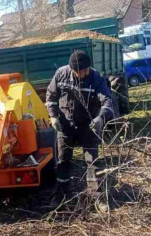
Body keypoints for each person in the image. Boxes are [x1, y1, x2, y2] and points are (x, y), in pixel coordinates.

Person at [45, 50, 115, 213]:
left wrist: (100, 119)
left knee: (93, 162)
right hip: (65, 126)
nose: (81, 74)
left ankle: (97, 197)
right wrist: (53, 117)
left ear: (88, 68)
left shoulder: (95, 77)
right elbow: (51, 97)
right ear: (71, 69)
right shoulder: (61, 74)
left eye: (84, 71)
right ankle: (62, 195)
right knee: (63, 161)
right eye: (77, 72)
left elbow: (107, 101)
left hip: (89, 127)